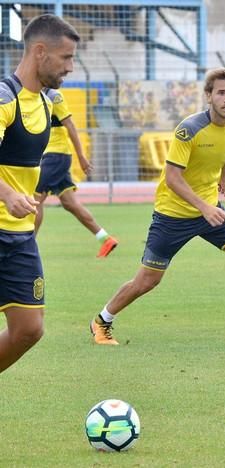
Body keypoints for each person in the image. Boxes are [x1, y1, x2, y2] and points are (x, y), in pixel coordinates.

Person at [90, 68, 225, 345]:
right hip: (173, 216)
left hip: (211, 211)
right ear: (208, 96)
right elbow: (172, 178)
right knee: (147, 281)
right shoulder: (189, 129)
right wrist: (204, 207)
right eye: (221, 93)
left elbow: (221, 151)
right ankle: (102, 321)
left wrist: (222, 177)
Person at [0, 14, 79, 373]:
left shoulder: (48, 103)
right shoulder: (5, 98)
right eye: (66, 58)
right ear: (40, 52)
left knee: (29, 330)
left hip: (20, 238)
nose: (71, 67)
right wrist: (7, 194)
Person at [34, 89, 119, 256]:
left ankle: (28, 245)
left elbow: (70, 125)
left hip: (55, 156)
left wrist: (81, 156)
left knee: (34, 200)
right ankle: (105, 239)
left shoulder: (54, 96)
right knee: (70, 203)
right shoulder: (34, 95)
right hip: (52, 156)